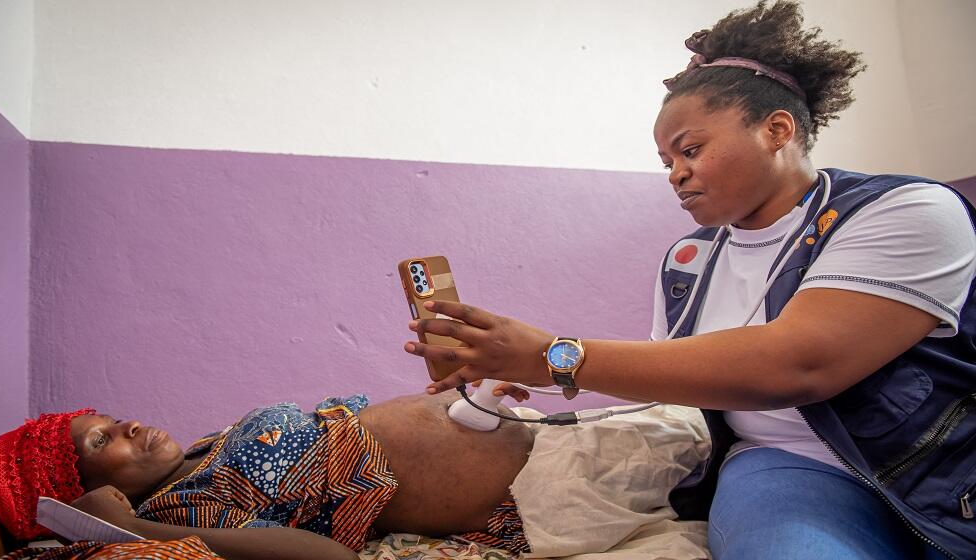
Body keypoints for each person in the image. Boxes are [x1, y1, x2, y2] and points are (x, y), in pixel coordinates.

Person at [405, 2, 976, 559]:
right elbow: (679, 377)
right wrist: (516, 374)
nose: (677, 173)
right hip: (786, 464)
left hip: (939, 461)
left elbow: (803, 363)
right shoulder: (689, 259)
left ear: (776, 130)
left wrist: (555, 356)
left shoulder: (906, 209)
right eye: (666, 162)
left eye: (691, 149)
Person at [0, 391, 711, 560]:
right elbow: (329, 558)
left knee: (746, 430)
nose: (129, 424)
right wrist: (133, 529)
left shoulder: (204, 447)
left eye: (109, 416)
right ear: (82, 486)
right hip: (538, 489)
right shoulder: (189, 509)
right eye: (102, 439)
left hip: (544, 440)